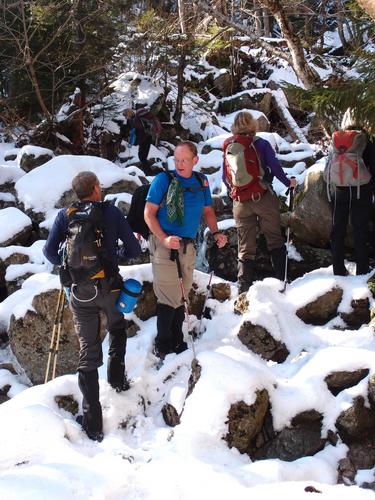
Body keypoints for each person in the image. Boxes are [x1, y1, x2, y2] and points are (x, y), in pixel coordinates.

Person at [43, 171, 141, 441]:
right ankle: (117, 380)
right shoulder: (110, 212)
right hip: (109, 287)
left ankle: (93, 423)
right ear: (97, 188)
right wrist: (113, 255)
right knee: (117, 325)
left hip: (80, 292)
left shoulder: (66, 215)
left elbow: (49, 253)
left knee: (88, 348)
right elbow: (133, 250)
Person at [144, 141, 227, 359]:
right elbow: (148, 214)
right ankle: (163, 345)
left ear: (195, 160)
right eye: (176, 160)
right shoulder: (163, 180)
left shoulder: (201, 181)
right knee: (167, 295)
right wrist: (164, 238)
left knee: (182, 294)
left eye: (184, 160)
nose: (179, 164)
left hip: (188, 245)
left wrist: (216, 232)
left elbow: (208, 210)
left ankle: (177, 341)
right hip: (164, 245)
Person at [222, 111, 297, 294]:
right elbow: (275, 167)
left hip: (240, 202)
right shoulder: (261, 144)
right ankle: (282, 282)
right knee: (274, 239)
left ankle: (242, 289)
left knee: (246, 247)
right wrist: (289, 183)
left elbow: (225, 177)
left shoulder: (229, 145)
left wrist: (234, 194)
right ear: (253, 125)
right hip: (262, 197)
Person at [326, 110, 375, 276]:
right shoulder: (363, 140)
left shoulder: (336, 139)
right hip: (360, 190)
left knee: (337, 229)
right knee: (360, 229)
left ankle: (338, 269)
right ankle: (362, 270)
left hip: (338, 188)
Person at [123, 108, 161, 175]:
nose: (125, 118)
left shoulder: (136, 120)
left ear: (128, 114)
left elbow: (140, 132)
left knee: (142, 157)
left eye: (125, 116)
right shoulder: (134, 119)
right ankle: (148, 172)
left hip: (146, 138)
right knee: (142, 156)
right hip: (146, 138)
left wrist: (136, 142)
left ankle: (149, 174)